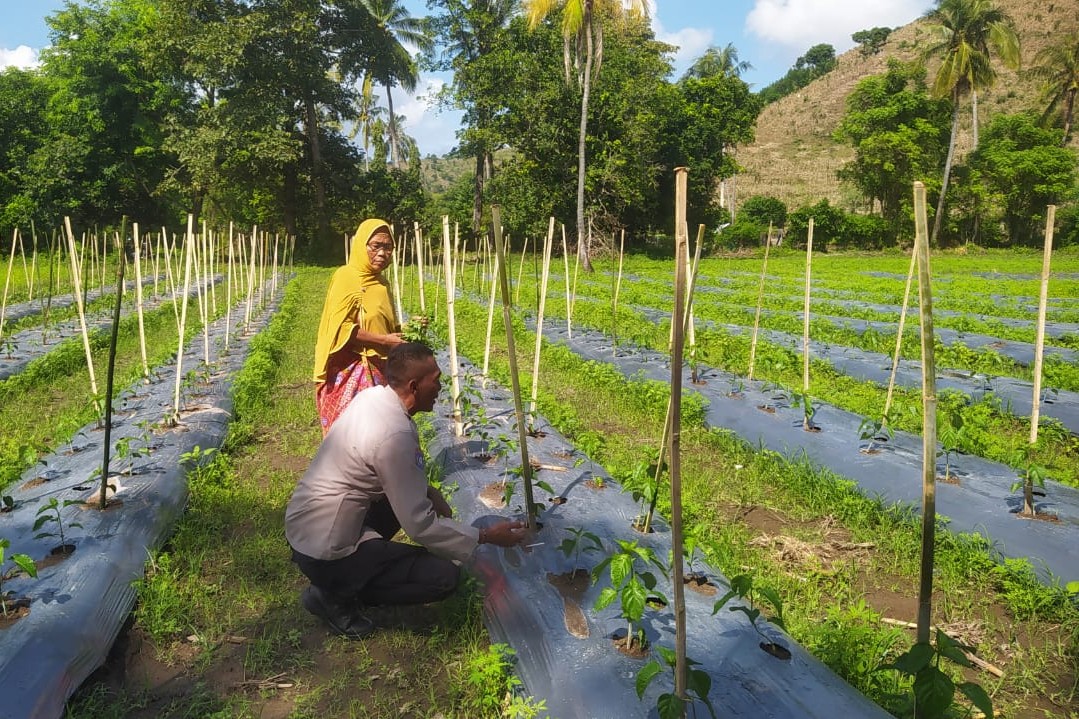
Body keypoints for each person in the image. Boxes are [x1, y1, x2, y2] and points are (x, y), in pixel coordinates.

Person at [286, 342, 527, 638]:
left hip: (307, 526)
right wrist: (487, 536)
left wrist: (428, 490)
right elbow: (420, 525)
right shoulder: (394, 435)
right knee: (444, 577)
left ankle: (339, 579)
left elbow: (391, 473)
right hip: (324, 551)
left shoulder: (374, 398)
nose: (440, 387)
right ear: (414, 386)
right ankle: (333, 596)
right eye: (435, 379)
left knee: (408, 498)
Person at [313, 218, 404, 436]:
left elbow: (383, 324)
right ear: (362, 246)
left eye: (388, 247)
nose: (382, 253)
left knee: (377, 437)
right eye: (376, 246)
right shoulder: (347, 277)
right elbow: (341, 327)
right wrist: (383, 341)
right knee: (349, 436)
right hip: (350, 369)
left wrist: (407, 329)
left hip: (380, 367)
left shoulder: (381, 283)